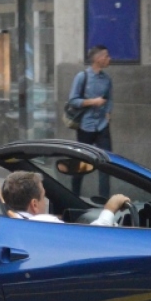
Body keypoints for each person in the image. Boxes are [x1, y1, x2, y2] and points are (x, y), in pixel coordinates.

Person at [66, 45, 114, 197]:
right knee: (81, 163)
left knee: (106, 164)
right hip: (85, 127)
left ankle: (104, 199)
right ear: (97, 58)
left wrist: (108, 113)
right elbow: (73, 100)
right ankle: (74, 195)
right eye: (106, 56)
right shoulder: (82, 77)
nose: (109, 59)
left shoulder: (107, 79)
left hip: (102, 127)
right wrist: (93, 102)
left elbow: (109, 99)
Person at [1, 170, 130, 226]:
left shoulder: (4, 219)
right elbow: (92, 240)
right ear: (34, 204)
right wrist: (110, 209)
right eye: (43, 197)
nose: (45, 203)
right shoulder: (43, 223)